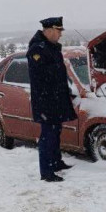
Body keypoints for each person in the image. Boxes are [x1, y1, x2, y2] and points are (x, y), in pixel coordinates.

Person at [26, 16, 78, 182]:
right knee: (47, 135)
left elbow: (58, 73)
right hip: (46, 100)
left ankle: (56, 162)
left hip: (55, 98)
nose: (60, 34)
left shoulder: (51, 47)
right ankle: (46, 172)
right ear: (48, 30)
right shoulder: (37, 49)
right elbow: (43, 75)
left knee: (56, 132)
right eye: (58, 31)